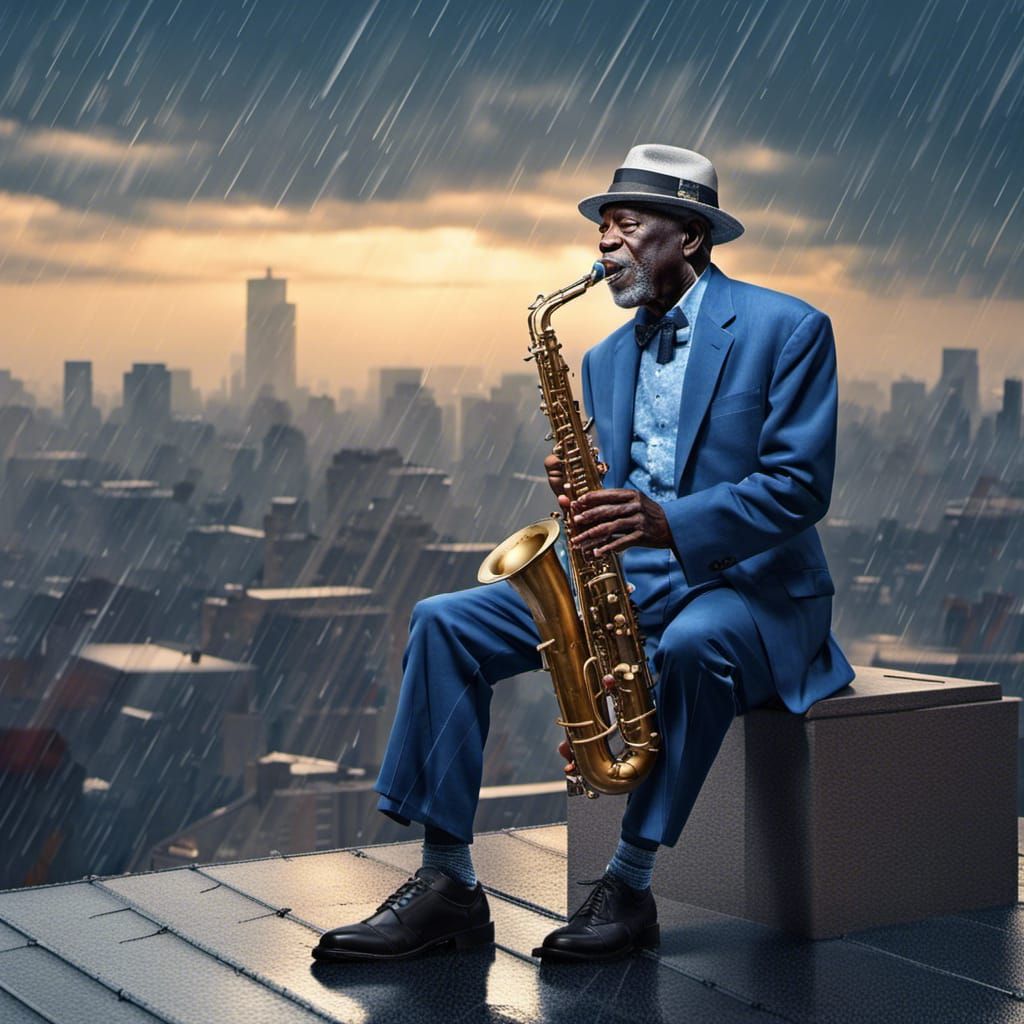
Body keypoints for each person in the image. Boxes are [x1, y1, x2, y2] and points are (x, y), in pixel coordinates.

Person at [312, 144, 854, 964]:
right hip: (629, 574)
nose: (605, 244)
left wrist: (667, 522)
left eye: (627, 226)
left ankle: (629, 887)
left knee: (695, 645)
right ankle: (448, 884)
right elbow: (613, 500)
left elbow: (797, 489)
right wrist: (578, 493)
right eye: (602, 228)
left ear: (692, 237)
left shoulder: (791, 329)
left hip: (747, 586)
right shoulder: (601, 359)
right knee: (442, 624)